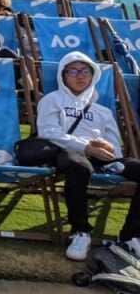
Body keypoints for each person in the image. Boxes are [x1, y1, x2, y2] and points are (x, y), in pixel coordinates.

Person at [28, 52, 140, 261]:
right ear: (63, 75)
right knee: (80, 167)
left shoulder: (102, 111)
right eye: (73, 71)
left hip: (101, 158)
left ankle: (131, 236)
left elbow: (114, 145)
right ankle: (81, 231)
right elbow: (48, 132)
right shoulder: (52, 100)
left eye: (85, 71)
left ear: (93, 76)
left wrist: (108, 150)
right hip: (65, 152)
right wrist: (87, 146)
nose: (80, 76)